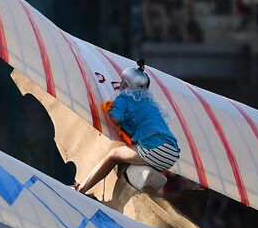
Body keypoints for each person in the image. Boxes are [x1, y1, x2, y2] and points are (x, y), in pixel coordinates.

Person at [74, 61, 182, 194]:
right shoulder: (150, 103)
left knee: (113, 155)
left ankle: (81, 189)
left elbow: (115, 117)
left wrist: (109, 109)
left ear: (125, 84)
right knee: (125, 157)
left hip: (155, 149)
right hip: (171, 154)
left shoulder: (124, 97)